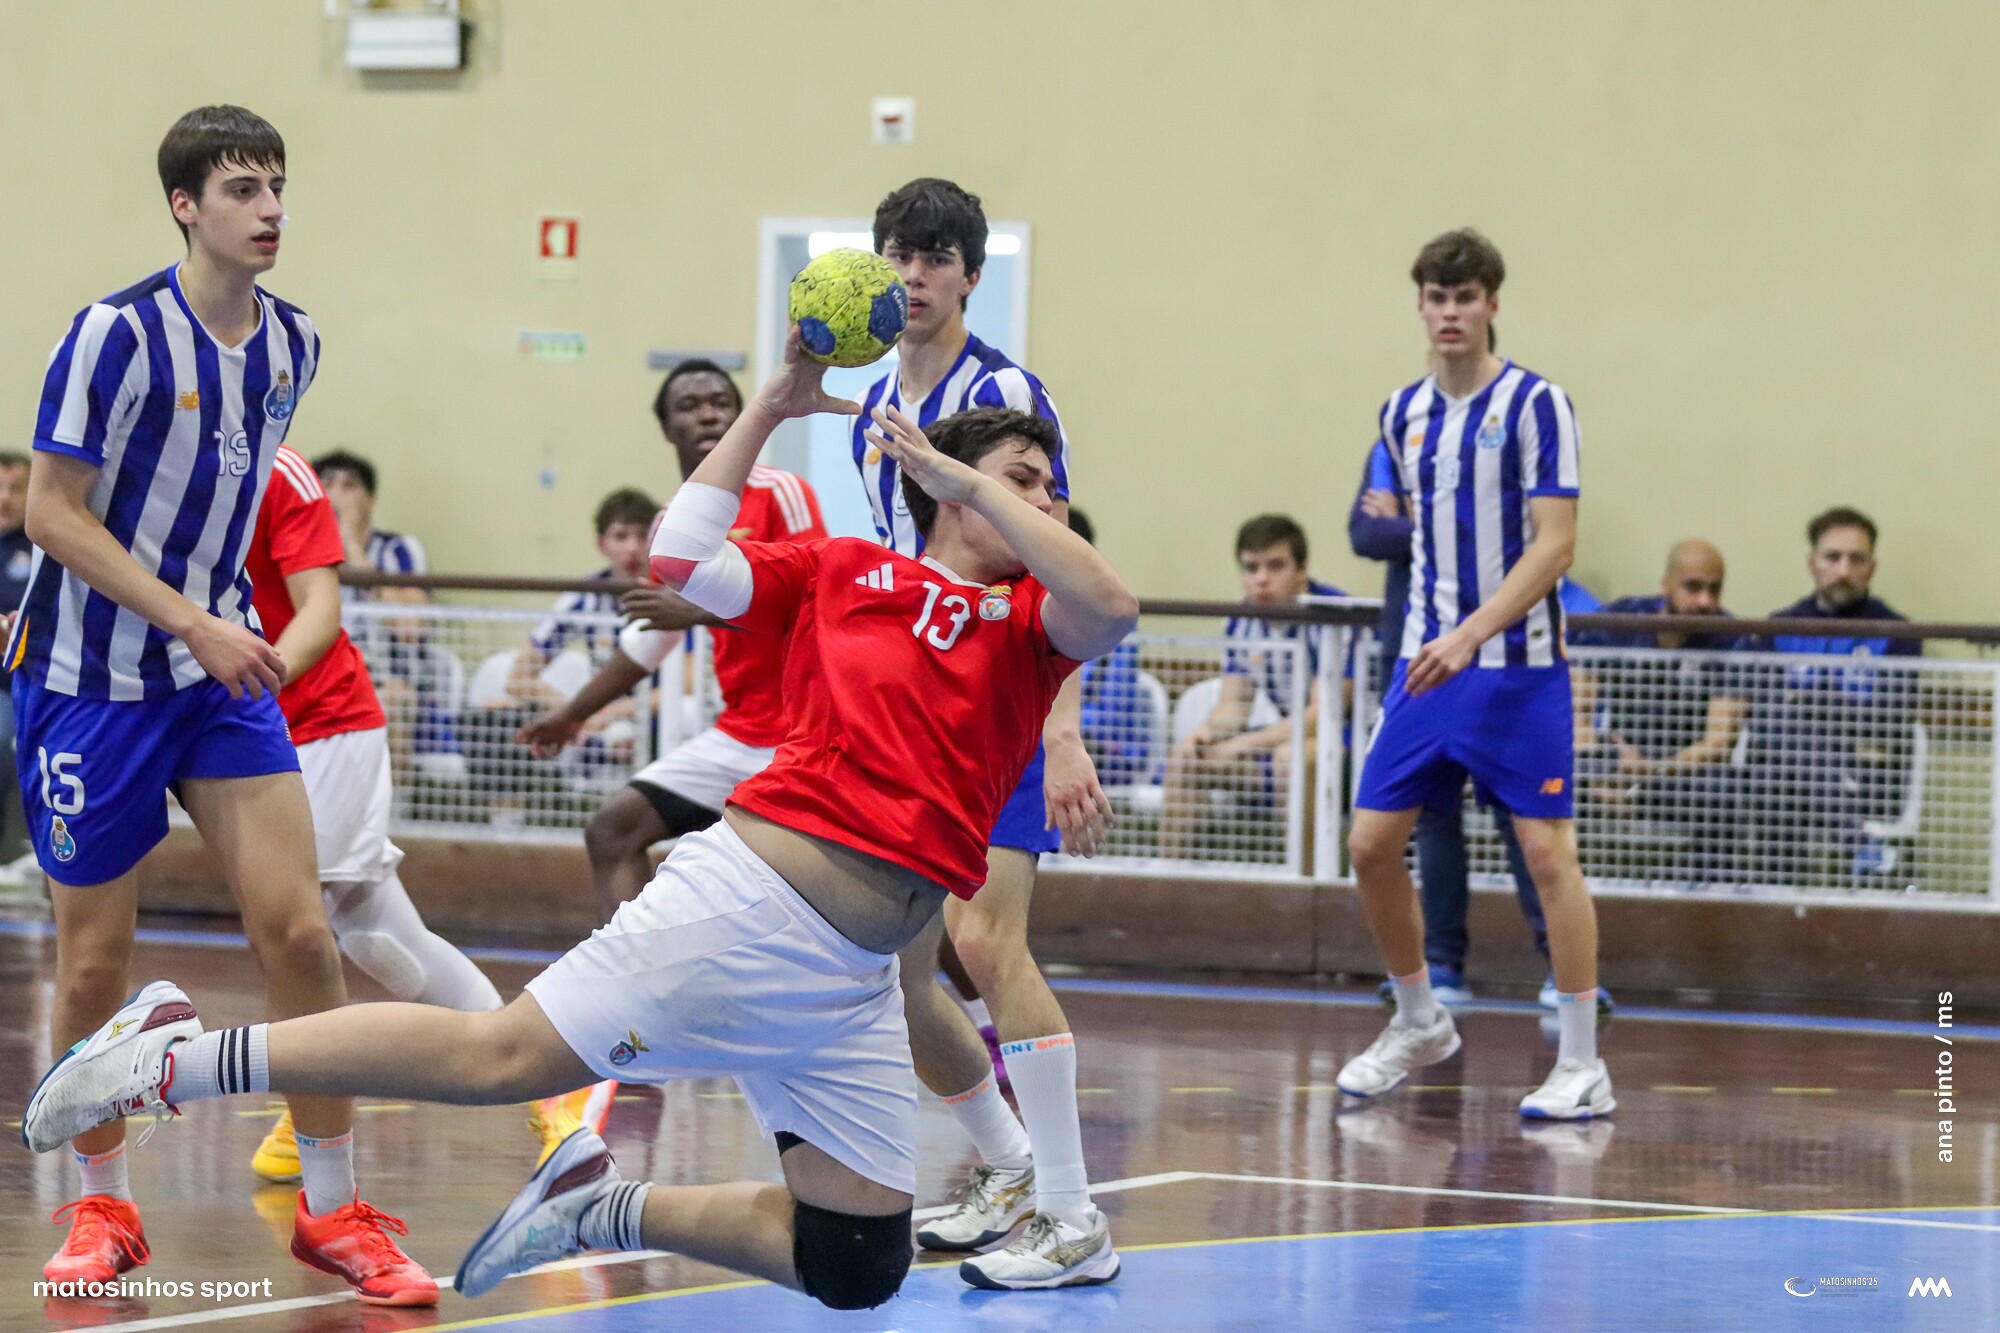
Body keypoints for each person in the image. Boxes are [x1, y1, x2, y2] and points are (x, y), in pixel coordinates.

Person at [24, 337, 1140, 1311]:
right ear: (946, 492)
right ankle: (170, 1060)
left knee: (855, 1260)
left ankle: (600, 1209)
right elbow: (681, 561)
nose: (1045, 502)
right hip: (750, 906)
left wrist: (975, 482)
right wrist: (770, 406)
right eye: (1023, 480)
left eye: (1050, 489)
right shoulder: (850, 571)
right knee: (498, 1053)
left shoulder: (1032, 627)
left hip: (848, 984)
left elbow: (1113, 603)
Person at [10, 105, 433, 1302]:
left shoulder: (293, 342)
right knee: (93, 966)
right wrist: (191, 617)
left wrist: (213, 629)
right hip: (91, 680)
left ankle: (333, 1206)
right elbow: (50, 513)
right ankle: (102, 1206)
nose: (271, 209)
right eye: (243, 188)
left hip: (213, 679)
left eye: (278, 186)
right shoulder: (114, 334)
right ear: (185, 205)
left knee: (301, 935)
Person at [850, 178, 1118, 1280]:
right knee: (897, 968)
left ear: (968, 274)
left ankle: (1072, 1216)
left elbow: (1058, 556)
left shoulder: (1004, 390)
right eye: (897, 256)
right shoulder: (871, 404)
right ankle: (1006, 1166)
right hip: (917, 709)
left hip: (1002, 692)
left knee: (986, 943)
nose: (913, 276)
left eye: (933, 258)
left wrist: (1060, 727)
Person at [1340, 228, 1612, 1120]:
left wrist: (1472, 632)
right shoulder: (1401, 413)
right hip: (1427, 665)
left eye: (1465, 296)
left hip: (1518, 668)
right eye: (1436, 297)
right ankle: (1420, 1018)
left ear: (1492, 303)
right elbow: (1387, 527)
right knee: (1370, 845)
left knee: (1546, 853)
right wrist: (1446, 639)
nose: (1450, 311)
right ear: (1419, 306)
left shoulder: (1538, 404)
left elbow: (1555, 545)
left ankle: (1582, 1062)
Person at [240, 445, 508, 1183]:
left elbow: (320, 609)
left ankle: (315, 1102)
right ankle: (540, 1067)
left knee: (305, 925)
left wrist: (249, 690)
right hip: (247, 733)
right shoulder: (149, 472)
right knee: (373, 927)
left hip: (322, 722)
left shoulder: (279, 470)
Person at [519, 361, 826, 921]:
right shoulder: (670, 524)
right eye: (689, 405)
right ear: (666, 427)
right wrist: (572, 715)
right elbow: (650, 638)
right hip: (738, 733)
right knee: (612, 831)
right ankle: (637, 967)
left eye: (720, 403)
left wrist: (697, 610)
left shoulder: (782, 492)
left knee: (796, 889)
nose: (708, 414)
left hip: (805, 736)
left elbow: (817, 606)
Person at [1349, 440, 1552, 1007]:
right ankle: (1440, 964)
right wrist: (1439, 524)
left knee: (1521, 814)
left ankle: (1561, 968)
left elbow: (1527, 538)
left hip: (1502, 655)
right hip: (1416, 655)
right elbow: (1366, 535)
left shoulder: (1514, 437)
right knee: (1429, 816)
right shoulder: (1396, 438)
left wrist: (1415, 521)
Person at [461, 488, 656, 820]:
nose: (632, 548)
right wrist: (572, 711)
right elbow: (518, 677)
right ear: (602, 544)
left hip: (654, 717)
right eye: (621, 536)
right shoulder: (584, 596)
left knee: (632, 736)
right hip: (595, 716)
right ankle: (507, 831)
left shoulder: (676, 593)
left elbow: (688, 684)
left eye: (642, 535)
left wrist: (604, 713)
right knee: (496, 717)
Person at [1159, 515, 1346, 859]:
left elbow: (1322, 718)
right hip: (1285, 743)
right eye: (1251, 567)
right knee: (1186, 759)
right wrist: (1208, 733)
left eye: (1275, 566)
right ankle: (1170, 877)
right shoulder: (1241, 620)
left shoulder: (1335, 617)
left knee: (1290, 759)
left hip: (1353, 748)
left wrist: (1242, 744)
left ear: (1302, 570)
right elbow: (1234, 706)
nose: (1261, 579)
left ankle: (1303, 883)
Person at [1751, 508, 1920, 881]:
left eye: (1856, 559)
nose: (1843, 571)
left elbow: (1886, 724)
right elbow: (1762, 717)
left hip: (1865, 775)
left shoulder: (1898, 633)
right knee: (1770, 761)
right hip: (1797, 772)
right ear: (1812, 563)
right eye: (1833, 557)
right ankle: (1850, 845)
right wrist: (1838, 712)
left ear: (1871, 568)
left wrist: (1812, 702)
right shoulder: (1778, 627)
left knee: (1779, 753)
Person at [1572, 539, 1751, 887]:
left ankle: (1712, 897)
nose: (1705, 601)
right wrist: (1599, 774)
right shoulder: (1618, 622)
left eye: (1714, 590)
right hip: (1611, 767)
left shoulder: (1732, 641)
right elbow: (1575, 714)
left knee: (1722, 793)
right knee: (1548, 783)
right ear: (1666, 585)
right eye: (1693, 587)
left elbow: (1718, 744)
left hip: (1680, 775)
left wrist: (1649, 772)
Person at [314, 449, 451, 785]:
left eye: (349, 486)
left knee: (392, 701)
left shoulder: (398, 549)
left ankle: (393, 808)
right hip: (320, 677)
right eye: (327, 484)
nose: (335, 495)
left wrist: (350, 546)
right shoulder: (300, 552)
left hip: (390, 679)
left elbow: (411, 627)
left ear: (370, 499)